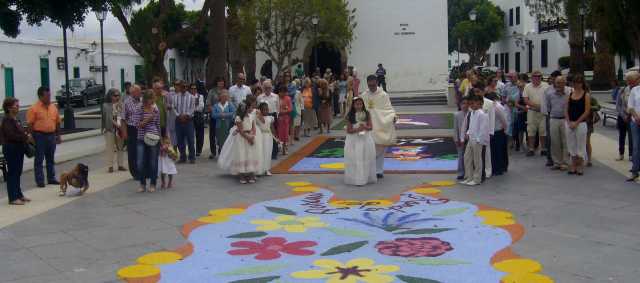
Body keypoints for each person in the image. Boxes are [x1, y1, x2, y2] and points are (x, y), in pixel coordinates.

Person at [361, 75, 397, 179]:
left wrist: (393, 116)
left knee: (380, 146)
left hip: (381, 124)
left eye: (373, 85)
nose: (371, 87)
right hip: (369, 124)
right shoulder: (364, 95)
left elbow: (388, 108)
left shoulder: (383, 95)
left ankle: (379, 171)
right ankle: (369, 170)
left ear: (377, 82)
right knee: (368, 148)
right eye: (369, 85)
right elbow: (361, 109)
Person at [27, 86, 60, 187]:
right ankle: (40, 180)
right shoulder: (33, 109)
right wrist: (32, 136)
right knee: (39, 159)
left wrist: (58, 135)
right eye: (47, 96)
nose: (49, 98)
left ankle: (51, 178)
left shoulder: (53, 107)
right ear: (40, 96)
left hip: (51, 135)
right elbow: (30, 124)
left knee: (50, 158)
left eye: (50, 95)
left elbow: (57, 122)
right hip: (39, 136)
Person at [1, 97, 31, 205]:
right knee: (13, 173)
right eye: (16, 105)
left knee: (18, 172)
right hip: (11, 149)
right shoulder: (7, 120)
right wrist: (24, 137)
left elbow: (20, 132)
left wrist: (25, 134)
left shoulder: (15, 119)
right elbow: (11, 135)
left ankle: (19, 194)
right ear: (9, 108)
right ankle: (13, 198)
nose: (18, 107)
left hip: (18, 149)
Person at [344, 97, 377, 186]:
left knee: (365, 157)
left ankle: (366, 176)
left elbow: (371, 127)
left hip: (365, 139)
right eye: (356, 104)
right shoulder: (350, 115)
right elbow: (349, 130)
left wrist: (365, 127)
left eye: (360, 104)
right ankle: (358, 178)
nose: (359, 106)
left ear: (363, 104)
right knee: (356, 158)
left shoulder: (367, 113)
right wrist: (358, 129)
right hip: (354, 140)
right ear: (353, 105)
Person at [564, 75, 591, 176]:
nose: (577, 85)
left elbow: (587, 111)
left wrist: (577, 122)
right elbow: (566, 110)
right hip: (569, 123)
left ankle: (580, 166)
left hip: (581, 124)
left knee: (581, 145)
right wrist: (568, 121)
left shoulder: (586, 95)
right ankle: (573, 165)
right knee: (571, 145)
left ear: (582, 83)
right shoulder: (569, 94)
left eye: (579, 83)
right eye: (575, 83)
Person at [136, 90, 161, 192]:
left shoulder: (155, 109)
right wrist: (148, 118)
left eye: (153, 99)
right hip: (141, 137)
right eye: (150, 99)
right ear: (146, 99)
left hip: (154, 137)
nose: (151, 101)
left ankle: (153, 183)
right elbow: (138, 124)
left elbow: (158, 125)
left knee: (153, 161)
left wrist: (161, 138)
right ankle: (142, 183)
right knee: (140, 162)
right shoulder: (140, 108)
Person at [461, 94, 489, 186]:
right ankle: (469, 177)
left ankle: (477, 179)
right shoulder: (472, 113)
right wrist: (468, 133)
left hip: (477, 140)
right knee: (467, 158)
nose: (472, 105)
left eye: (474, 103)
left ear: (480, 103)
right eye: (471, 103)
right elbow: (471, 125)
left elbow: (483, 128)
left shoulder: (482, 114)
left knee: (477, 160)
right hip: (471, 139)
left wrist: (478, 139)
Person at [543, 76, 569, 170]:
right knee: (554, 142)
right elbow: (548, 107)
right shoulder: (550, 93)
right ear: (555, 83)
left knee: (565, 142)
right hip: (553, 119)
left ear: (564, 83)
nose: (559, 84)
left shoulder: (569, 93)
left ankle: (565, 162)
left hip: (565, 120)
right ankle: (557, 162)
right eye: (558, 82)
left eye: (561, 82)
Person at [230, 102, 260, 184]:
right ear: (245, 109)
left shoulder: (251, 116)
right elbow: (241, 131)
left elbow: (254, 128)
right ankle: (242, 175)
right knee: (242, 155)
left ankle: (251, 173)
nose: (251, 109)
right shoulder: (239, 118)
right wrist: (248, 138)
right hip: (242, 139)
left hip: (250, 136)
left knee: (251, 155)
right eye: (250, 107)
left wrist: (252, 136)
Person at [523, 70, 550, 157]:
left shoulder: (546, 86)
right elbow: (526, 100)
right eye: (535, 76)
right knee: (531, 130)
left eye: (538, 76)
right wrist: (537, 106)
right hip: (532, 111)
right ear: (532, 77)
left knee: (543, 130)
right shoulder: (527, 86)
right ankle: (531, 149)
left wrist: (542, 107)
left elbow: (549, 98)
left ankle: (543, 149)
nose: (537, 78)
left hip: (543, 112)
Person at [103, 88, 126, 173]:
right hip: (110, 129)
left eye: (118, 95)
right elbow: (108, 118)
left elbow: (123, 116)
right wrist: (117, 125)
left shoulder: (121, 105)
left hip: (120, 129)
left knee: (120, 147)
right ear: (110, 96)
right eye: (115, 95)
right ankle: (110, 166)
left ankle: (120, 165)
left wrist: (121, 127)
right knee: (110, 148)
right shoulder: (106, 105)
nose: (117, 97)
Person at [173, 81, 196, 164]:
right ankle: (183, 157)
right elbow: (174, 108)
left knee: (190, 139)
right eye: (182, 86)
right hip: (178, 120)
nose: (184, 88)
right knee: (180, 139)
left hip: (188, 120)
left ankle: (192, 157)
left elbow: (192, 108)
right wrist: (179, 115)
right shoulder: (175, 97)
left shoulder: (191, 97)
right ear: (179, 87)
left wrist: (186, 115)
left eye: (186, 86)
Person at [123, 85, 142, 179]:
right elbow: (123, 119)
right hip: (131, 129)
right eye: (138, 91)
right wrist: (125, 132)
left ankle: (143, 170)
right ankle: (135, 173)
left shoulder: (142, 101)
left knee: (141, 150)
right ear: (133, 92)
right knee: (132, 152)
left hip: (142, 129)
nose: (140, 93)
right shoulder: (126, 102)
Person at [487, 92, 509, 176]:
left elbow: (504, 119)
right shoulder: (492, 107)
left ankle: (500, 168)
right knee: (494, 151)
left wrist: (505, 128)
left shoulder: (498, 107)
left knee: (499, 151)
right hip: (493, 131)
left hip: (498, 130)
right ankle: (496, 167)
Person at [211, 91, 236, 156]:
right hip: (219, 126)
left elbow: (233, 113)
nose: (224, 98)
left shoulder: (230, 104)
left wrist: (225, 115)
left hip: (228, 125)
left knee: (227, 140)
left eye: (226, 97)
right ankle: (222, 154)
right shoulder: (216, 105)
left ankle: (227, 155)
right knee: (220, 140)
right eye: (223, 97)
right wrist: (220, 115)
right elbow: (213, 115)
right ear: (220, 97)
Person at [626, 71, 640, 181]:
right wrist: (637, 117)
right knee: (636, 147)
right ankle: (635, 171)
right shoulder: (634, 90)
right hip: (636, 122)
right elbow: (630, 106)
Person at [207, 77, 225, 159]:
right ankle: (213, 152)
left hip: (223, 116)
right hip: (214, 116)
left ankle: (222, 150)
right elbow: (208, 104)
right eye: (219, 81)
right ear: (216, 82)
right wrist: (214, 112)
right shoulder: (212, 91)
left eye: (222, 82)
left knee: (222, 134)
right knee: (212, 134)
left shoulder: (225, 91)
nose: (221, 83)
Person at [257, 102, 277, 176]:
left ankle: (267, 169)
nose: (266, 111)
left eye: (267, 109)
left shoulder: (270, 118)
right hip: (260, 137)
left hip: (268, 137)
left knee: (268, 152)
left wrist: (275, 136)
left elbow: (272, 128)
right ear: (260, 110)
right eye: (264, 110)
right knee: (261, 152)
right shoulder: (258, 118)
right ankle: (259, 169)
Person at [617, 74, 634, 161]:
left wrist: (630, 115)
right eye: (628, 80)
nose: (630, 82)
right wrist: (623, 115)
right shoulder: (622, 90)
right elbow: (618, 105)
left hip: (632, 117)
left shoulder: (636, 91)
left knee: (631, 137)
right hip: (622, 117)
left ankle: (631, 154)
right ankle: (621, 153)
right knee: (621, 136)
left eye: (631, 80)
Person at [454, 97, 469, 180]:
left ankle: (469, 171)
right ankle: (461, 172)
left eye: (467, 103)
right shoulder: (457, 115)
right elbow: (455, 128)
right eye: (463, 103)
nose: (465, 105)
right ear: (460, 105)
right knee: (461, 156)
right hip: (460, 139)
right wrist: (456, 139)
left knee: (469, 156)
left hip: (469, 138)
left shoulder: (471, 113)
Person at [190, 83, 206, 157]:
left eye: (195, 88)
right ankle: (192, 150)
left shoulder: (200, 96)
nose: (193, 90)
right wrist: (195, 106)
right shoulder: (188, 96)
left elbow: (201, 107)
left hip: (198, 116)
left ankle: (198, 150)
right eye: (192, 88)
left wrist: (192, 107)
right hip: (190, 117)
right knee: (191, 135)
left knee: (199, 135)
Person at [277, 86, 293, 155]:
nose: (282, 93)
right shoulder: (276, 98)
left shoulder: (288, 98)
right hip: (278, 118)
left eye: (284, 92)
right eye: (281, 92)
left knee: (285, 134)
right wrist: (280, 112)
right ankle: (278, 147)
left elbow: (290, 109)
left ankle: (284, 148)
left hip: (285, 119)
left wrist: (283, 111)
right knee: (278, 133)